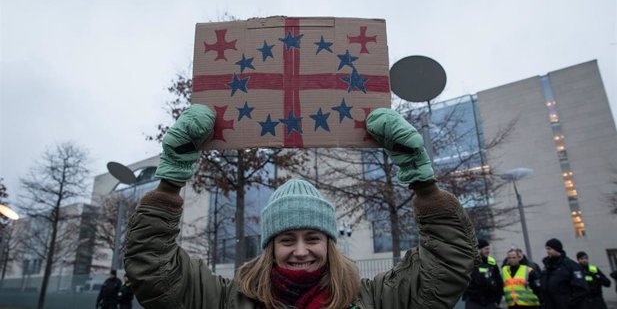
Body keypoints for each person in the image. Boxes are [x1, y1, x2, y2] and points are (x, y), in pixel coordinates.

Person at [123, 105, 478, 308]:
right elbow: (155, 272)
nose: (301, 250)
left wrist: (424, 185)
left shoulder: (372, 301)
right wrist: (170, 183)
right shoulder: (227, 301)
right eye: (286, 239)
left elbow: (446, 267)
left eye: (312, 237)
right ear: (270, 247)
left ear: (329, 242)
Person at [539, 238, 587, 309]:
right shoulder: (547, 266)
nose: (547, 252)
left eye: (549, 249)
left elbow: (581, 288)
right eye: (547, 249)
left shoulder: (570, 265)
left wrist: (569, 303)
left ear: (556, 249)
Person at [463, 238, 504, 308]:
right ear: (479, 250)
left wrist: (498, 300)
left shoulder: (492, 262)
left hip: (490, 301)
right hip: (474, 301)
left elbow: (499, 282)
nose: (488, 251)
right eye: (486, 249)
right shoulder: (470, 262)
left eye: (488, 249)